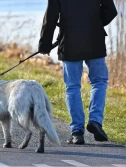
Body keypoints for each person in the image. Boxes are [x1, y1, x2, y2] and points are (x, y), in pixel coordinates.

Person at [38, 0, 117, 144]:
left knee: (72, 86)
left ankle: (77, 132)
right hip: (95, 39)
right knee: (99, 82)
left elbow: (51, 17)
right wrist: (95, 23)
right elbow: (111, 11)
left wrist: (45, 44)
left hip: (69, 42)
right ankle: (95, 121)